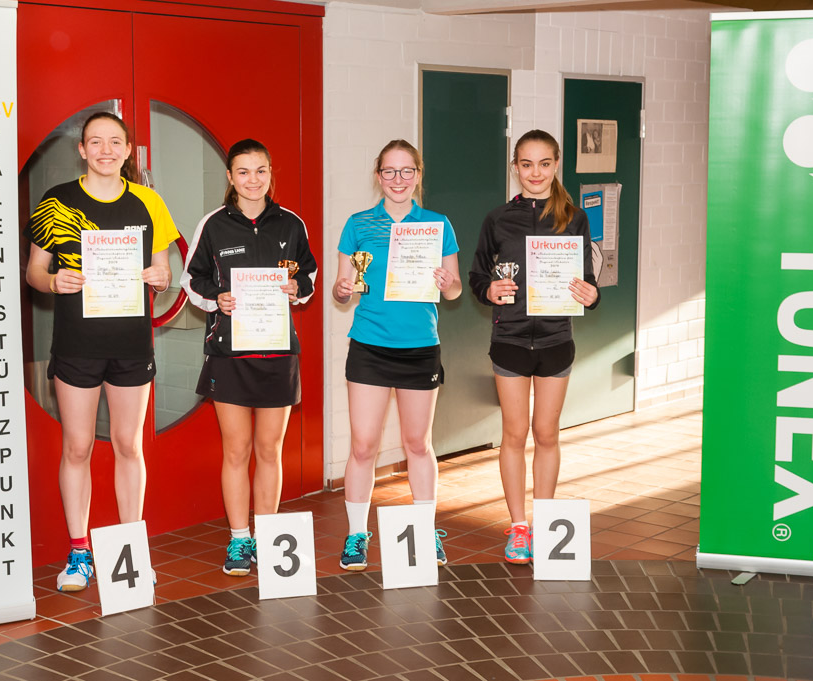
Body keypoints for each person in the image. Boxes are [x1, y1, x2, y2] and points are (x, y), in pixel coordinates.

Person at [23, 111, 178, 592]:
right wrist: (54, 281)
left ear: (128, 150)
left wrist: (161, 278)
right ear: (82, 149)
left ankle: (132, 550)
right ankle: (79, 552)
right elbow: (34, 273)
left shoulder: (149, 201)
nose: (105, 150)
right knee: (78, 447)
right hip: (77, 345)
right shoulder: (57, 201)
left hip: (131, 345)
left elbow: (163, 273)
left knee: (130, 446)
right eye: (95, 142)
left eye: (115, 142)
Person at [181, 139, 317, 576]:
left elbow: (309, 275)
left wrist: (298, 289)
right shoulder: (213, 225)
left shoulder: (291, 224)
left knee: (270, 450)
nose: (252, 180)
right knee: (236, 450)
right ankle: (240, 539)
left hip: (278, 352)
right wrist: (216, 298)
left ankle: (271, 538)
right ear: (230, 177)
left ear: (270, 173)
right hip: (229, 354)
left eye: (260, 170)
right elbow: (191, 280)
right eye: (243, 171)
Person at [468, 129, 600, 564]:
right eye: (527, 164)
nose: (536, 173)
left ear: (556, 165)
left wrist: (592, 295)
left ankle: (545, 522)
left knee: (546, 433)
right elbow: (477, 276)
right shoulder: (497, 219)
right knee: (514, 433)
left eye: (544, 164)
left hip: (556, 341)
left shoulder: (575, 219)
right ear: (515, 168)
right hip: (509, 340)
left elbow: (588, 281)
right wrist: (489, 290)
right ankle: (519, 526)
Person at [331, 139, 461, 571]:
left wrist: (447, 284)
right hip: (369, 345)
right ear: (378, 176)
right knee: (363, 445)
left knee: (417, 444)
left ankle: (425, 530)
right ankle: (356, 533)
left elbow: (455, 289)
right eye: (390, 171)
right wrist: (342, 289)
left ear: (418, 175)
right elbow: (341, 289)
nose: (398, 179)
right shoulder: (358, 224)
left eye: (407, 171)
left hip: (420, 347)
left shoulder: (437, 224)